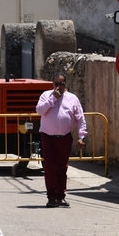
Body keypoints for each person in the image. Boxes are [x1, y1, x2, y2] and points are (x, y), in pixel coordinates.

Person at [35, 73, 86, 208]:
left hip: (64, 137)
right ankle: (51, 196)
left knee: (62, 167)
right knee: (49, 167)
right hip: (48, 137)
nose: (58, 87)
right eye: (56, 84)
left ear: (65, 84)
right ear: (53, 84)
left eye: (61, 84)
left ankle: (60, 196)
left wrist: (81, 136)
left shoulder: (72, 98)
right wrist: (53, 99)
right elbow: (39, 110)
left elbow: (80, 118)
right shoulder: (46, 95)